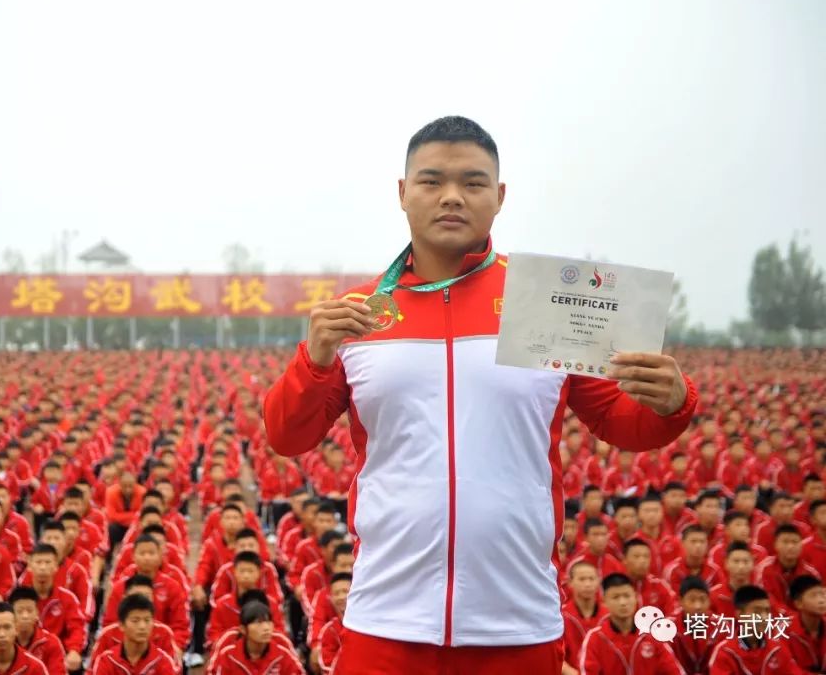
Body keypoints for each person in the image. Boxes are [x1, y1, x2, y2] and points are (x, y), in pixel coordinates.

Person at [264, 116, 696, 674]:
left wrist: (671, 401)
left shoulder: (545, 303)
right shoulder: (360, 313)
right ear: (402, 193)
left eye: (472, 182)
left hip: (517, 619)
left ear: (500, 196)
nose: (451, 197)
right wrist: (313, 358)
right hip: (386, 622)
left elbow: (619, 420)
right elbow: (286, 434)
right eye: (431, 181)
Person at [579, 573, 682, 674]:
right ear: (604, 601)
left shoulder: (652, 635)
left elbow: (674, 671)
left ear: (635, 597)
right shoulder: (596, 638)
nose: (622, 602)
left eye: (627, 596)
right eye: (616, 597)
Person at [708, 585, 804, 674]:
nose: (764, 617)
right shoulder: (725, 651)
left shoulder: (777, 648)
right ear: (740, 614)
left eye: (767, 611)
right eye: (757, 611)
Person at [26, 543, 86, 671]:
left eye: (48, 562)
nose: (43, 567)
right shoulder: (20, 600)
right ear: (30, 566)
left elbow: (77, 628)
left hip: (60, 655)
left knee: (77, 665)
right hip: (26, 655)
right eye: (38, 562)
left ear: (56, 566)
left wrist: (74, 650)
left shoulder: (67, 598)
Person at [207, 600, 304, 675]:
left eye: (268, 622)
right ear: (243, 629)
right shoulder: (228, 655)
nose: (266, 628)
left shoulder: (283, 654)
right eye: (258, 623)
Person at [90, 594, 177, 675]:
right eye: (135, 620)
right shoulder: (107, 660)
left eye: (147, 620)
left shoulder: (162, 661)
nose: (142, 626)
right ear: (121, 625)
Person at [8, 587, 67, 675]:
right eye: (20, 611)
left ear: (37, 613)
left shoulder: (51, 642)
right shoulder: (3, 642)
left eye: (30, 611)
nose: (25, 616)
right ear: (10, 614)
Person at [561, 561, 605, 674]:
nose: (587, 584)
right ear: (570, 582)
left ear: (598, 582)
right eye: (582, 579)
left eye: (591, 579)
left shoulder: (608, 614)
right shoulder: (561, 615)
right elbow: (555, 654)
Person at [669, 576, 715, 675]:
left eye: (702, 600)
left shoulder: (721, 627)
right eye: (692, 600)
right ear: (680, 601)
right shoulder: (667, 627)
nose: (697, 606)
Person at [622, 538, 676, 615]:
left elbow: (672, 614)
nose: (642, 561)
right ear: (624, 560)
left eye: (646, 556)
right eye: (636, 556)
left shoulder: (660, 586)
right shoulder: (617, 587)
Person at [786, 575, 826, 673]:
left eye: (823, 595)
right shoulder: (784, 631)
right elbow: (786, 668)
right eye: (813, 596)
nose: (821, 601)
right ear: (799, 604)